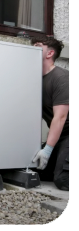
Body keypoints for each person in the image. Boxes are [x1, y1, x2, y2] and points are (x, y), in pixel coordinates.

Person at [32, 37, 69, 191]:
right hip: (60, 135)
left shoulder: (61, 78)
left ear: (50, 53)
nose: (33, 48)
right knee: (36, 172)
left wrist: (47, 150)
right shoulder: (34, 78)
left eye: (38, 46)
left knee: (63, 180)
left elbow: (60, 117)